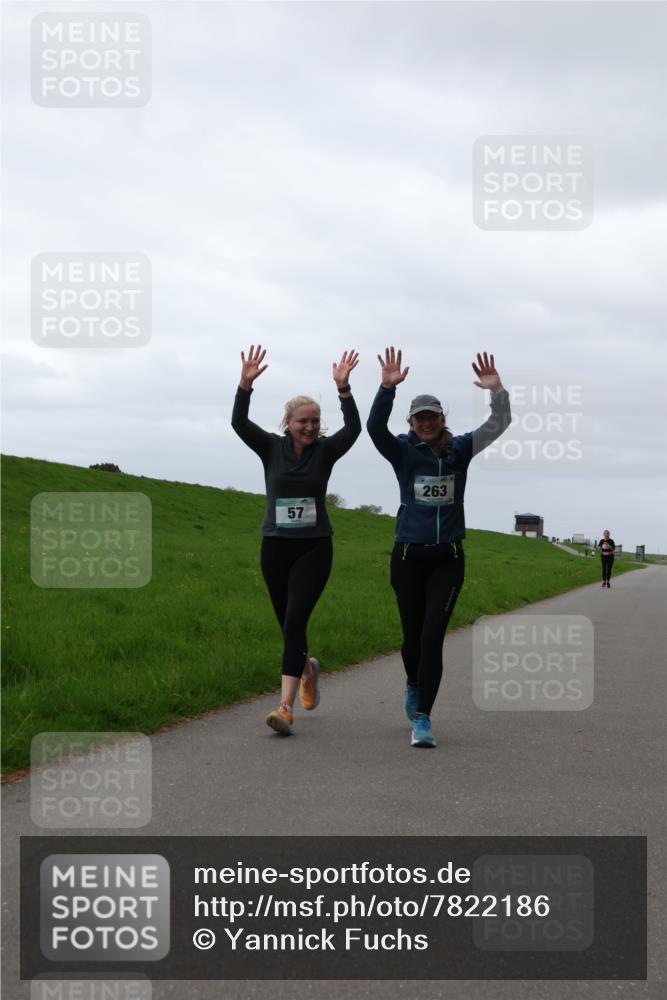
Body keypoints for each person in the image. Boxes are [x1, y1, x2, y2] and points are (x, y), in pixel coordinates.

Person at [367, 348, 511, 748]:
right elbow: (374, 428)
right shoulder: (402, 451)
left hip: (448, 558)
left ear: (442, 419)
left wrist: (496, 389)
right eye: (420, 418)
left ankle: (424, 718)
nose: (427, 423)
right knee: (412, 639)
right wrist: (386, 388)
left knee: (432, 638)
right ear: (411, 423)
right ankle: (413, 682)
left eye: (433, 416)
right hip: (408, 556)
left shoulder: (460, 449)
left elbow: (500, 423)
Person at [232, 344, 361, 735]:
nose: (310, 426)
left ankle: (284, 709)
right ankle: (307, 669)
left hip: (314, 547)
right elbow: (239, 424)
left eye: (315, 421)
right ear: (287, 421)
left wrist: (344, 390)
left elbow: (354, 429)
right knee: (288, 625)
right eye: (303, 420)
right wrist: (244, 385)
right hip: (274, 546)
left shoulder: (325, 452)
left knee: (294, 621)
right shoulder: (270, 447)